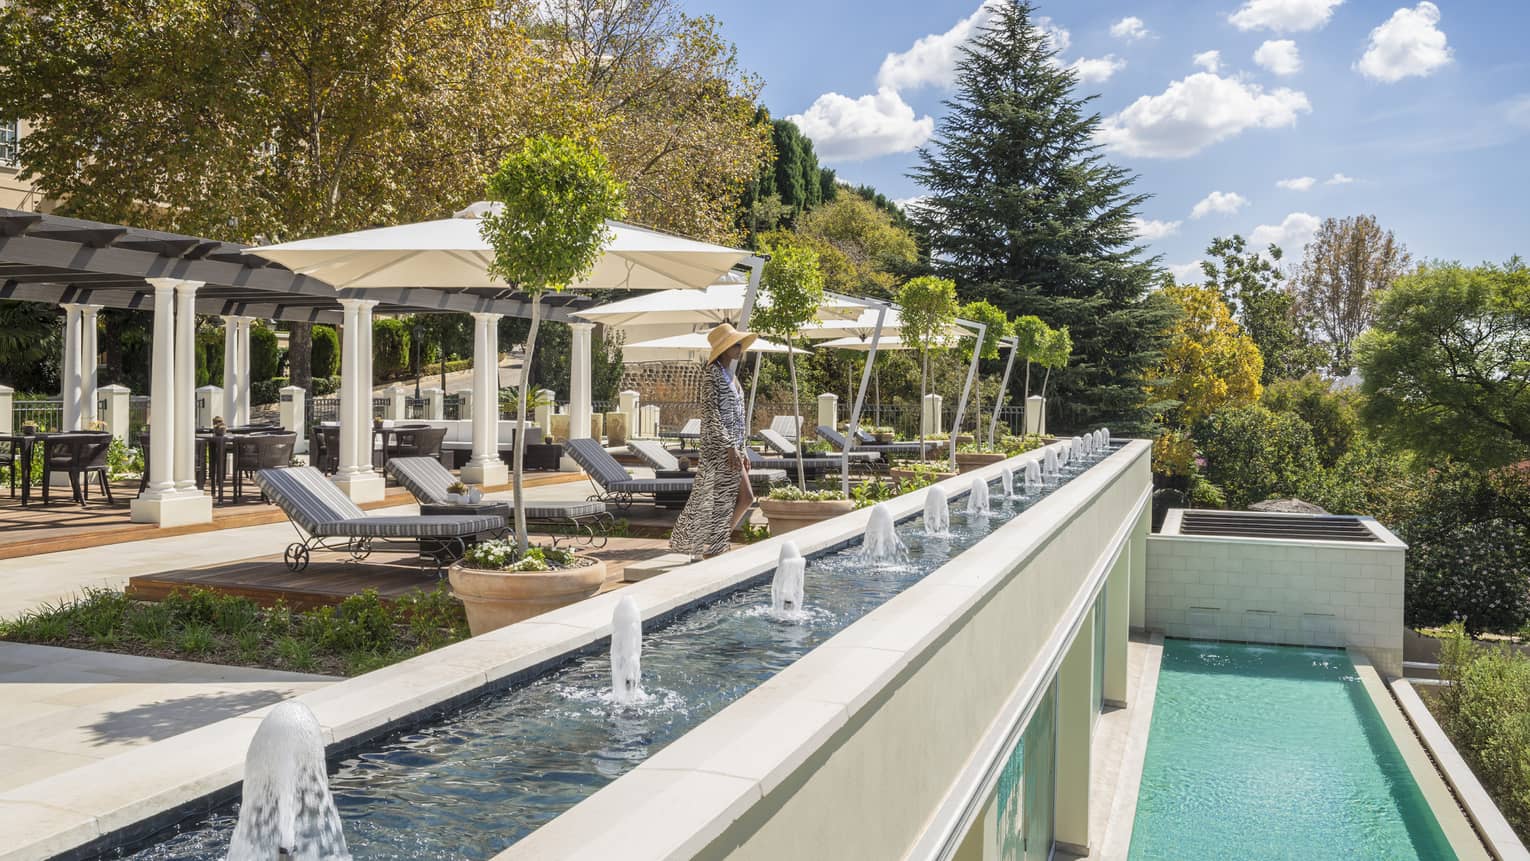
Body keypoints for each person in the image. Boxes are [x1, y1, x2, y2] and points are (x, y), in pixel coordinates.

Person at [670, 323, 756, 559]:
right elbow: (711, 412)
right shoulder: (712, 374)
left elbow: (738, 416)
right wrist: (729, 445)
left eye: (740, 343)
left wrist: (743, 448)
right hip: (719, 448)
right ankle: (714, 545)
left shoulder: (732, 377)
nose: (740, 348)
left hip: (733, 448)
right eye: (735, 344)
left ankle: (711, 545)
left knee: (724, 497)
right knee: (730, 497)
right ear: (724, 348)